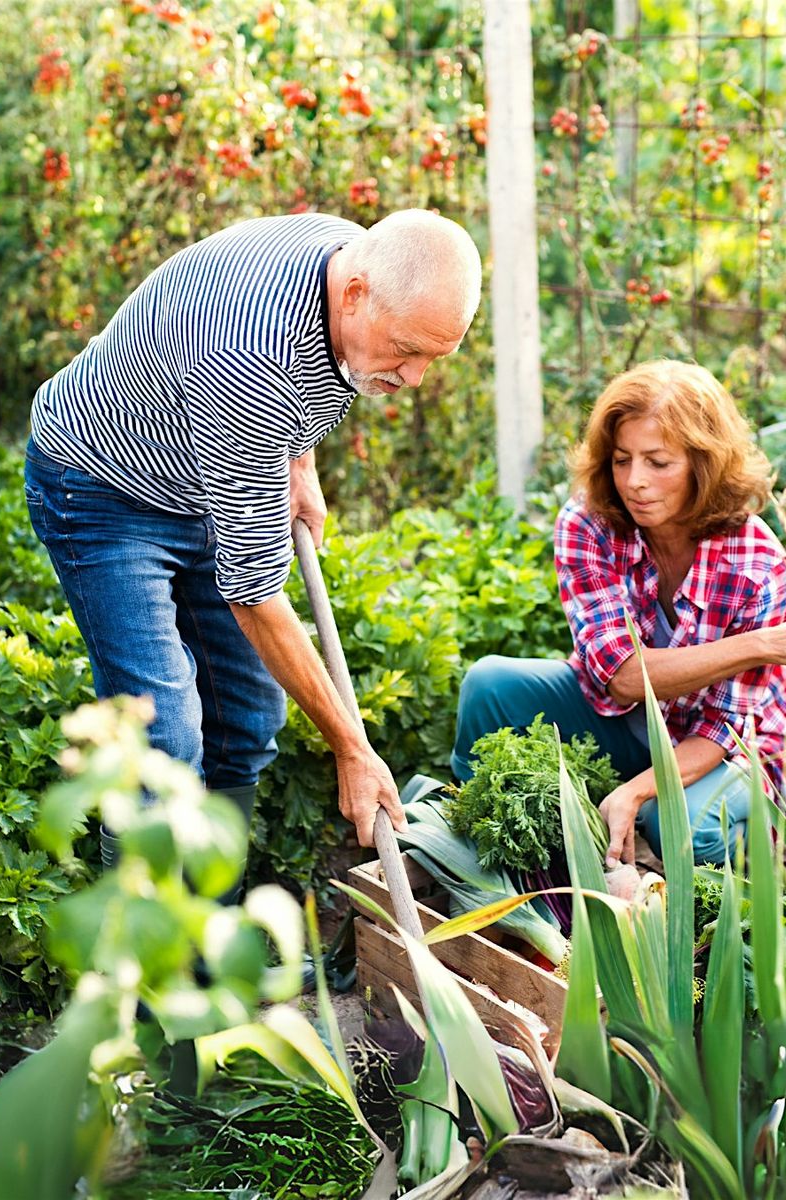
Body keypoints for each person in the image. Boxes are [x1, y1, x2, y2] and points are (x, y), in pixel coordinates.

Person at [25, 209, 482, 868]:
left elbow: (312, 382)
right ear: (356, 293)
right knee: (166, 739)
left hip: (201, 476)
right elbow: (254, 596)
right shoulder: (252, 363)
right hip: (102, 490)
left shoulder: (351, 259)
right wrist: (352, 747)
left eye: (431, 359)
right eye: (407, 352)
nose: (413, 379)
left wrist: (298, 462)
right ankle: (143, 959)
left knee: (247, 713)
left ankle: (216, 934)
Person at [451, 360, 786, 868]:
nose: (635, 481)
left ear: (703, 464)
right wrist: (766, 643)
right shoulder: (590, 523)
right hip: (628, 720)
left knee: (677, 823)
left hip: (731, 754)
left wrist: (636, 792)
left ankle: (751, 855)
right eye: (621, 459)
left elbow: (723, 730)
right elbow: (621, 676)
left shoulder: (753, 558)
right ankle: (490, 855)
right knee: (489, 687)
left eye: (658, 462)